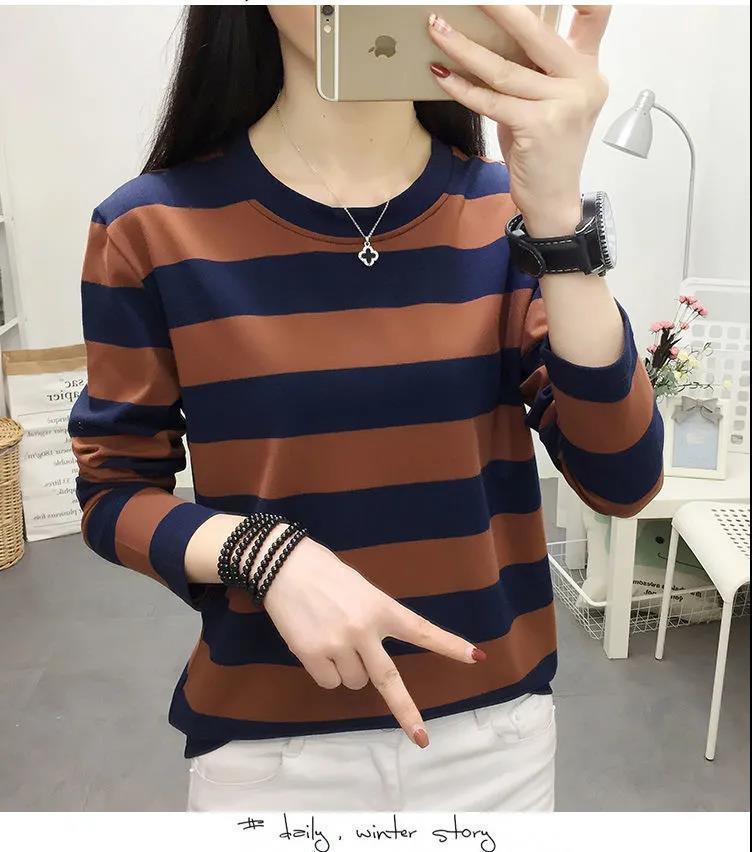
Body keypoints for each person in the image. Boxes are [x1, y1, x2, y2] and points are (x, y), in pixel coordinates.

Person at [67, 4, 664, 812]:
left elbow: (623, 478)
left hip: (494, 738)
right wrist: (263, 553)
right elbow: (112, 493)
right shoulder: (148, 227)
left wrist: (559, 218)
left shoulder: (507, 213)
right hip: (272, 752)